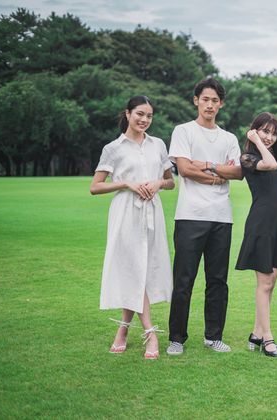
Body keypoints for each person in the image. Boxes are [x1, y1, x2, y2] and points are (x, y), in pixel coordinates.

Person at [90, 95, 175, 360]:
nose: (144, 120)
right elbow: (95, 186)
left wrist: (158, 183)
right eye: (139, 114)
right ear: (127, 114)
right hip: (125, 212)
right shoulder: (113, 148)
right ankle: (150, 333)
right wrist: (126, 183)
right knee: (133, 268)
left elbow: (170, 182)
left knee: (142, 270)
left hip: (152, 212)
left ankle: (123, 329)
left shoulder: (158, 144)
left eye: (149, 116)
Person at [166, 78, 242, 355]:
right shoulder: (183, 131)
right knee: (184, 279)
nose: (210, 105)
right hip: (190, 215)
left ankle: (214, 336)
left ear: (221, 104)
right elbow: (184, 169)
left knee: (218, 280)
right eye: (205, 99)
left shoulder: (229, 138)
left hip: (221, 217)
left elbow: (238, 172)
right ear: (196, 100)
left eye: (215, 100)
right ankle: (176, 338)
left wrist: (207, 165)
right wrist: (217, 175)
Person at [235, 112, 277, 358]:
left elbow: (275, 164)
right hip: (261, 223)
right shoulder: (248, 157)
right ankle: (267, 337)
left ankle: (256, 333)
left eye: (273, 133)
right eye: (264, 131)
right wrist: (256, 141)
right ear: (254, 130)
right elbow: (270, 165)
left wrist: (262, 142)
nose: (269, 137)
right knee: (264, 283)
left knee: (271, 282)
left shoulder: (273, 156)